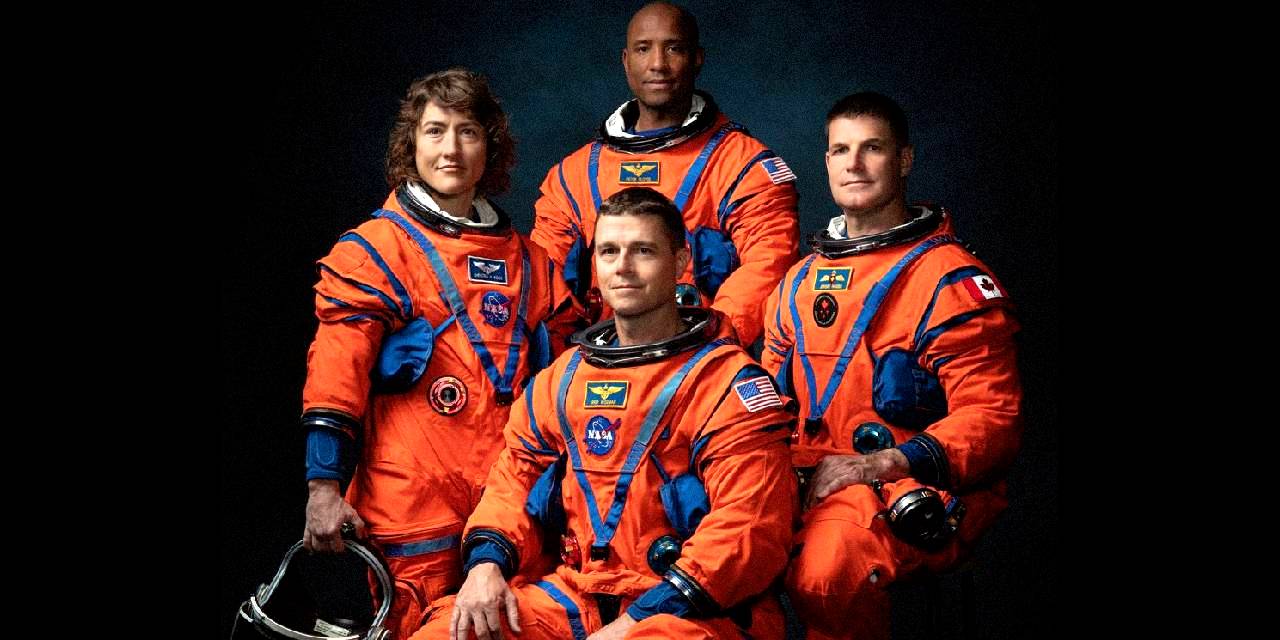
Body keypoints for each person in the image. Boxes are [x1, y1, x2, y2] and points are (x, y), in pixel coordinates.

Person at [413, 187, 797, 640]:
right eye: (609, 251)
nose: (623, 267)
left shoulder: (727, 383)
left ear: (680, 261)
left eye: (643, 251)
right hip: (579, 596)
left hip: (690, 609)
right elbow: (513, 482)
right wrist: (486, 565)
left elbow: (749, 527)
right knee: (448, 630)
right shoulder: (562, 380)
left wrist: (632, 623)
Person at [300, 68, 574, 639]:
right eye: (435, 131)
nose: (451, 149)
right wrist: (323, 488)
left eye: (467, 132)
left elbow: (569, 383)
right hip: (409, 505)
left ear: (489, 146)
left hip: (508, 501)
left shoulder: (532, 265)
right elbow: (335, 375)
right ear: (412, 144)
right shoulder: (376, 251)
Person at [761, 92, 1022, 640]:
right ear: (827, 161)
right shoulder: (796, 283)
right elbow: (765, 409)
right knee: (703, 556)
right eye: (841, 150)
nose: (853, 164)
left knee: (827, 573)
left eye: (871, 148)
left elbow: (993, 419)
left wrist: (882, 463)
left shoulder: (950, 281)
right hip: (807, 476)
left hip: (905, 482)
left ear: (903, 160)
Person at [531, 1, 799, 346]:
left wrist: (703, 347)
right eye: (643, 49)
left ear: (697, 59)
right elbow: (543, 283)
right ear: (626, 61)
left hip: (702, 358)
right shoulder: (574, 176)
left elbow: (768, 264)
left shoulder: (742, 165)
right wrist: (573, 358)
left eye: (673, 48)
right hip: (598, 361)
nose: (658, 64)